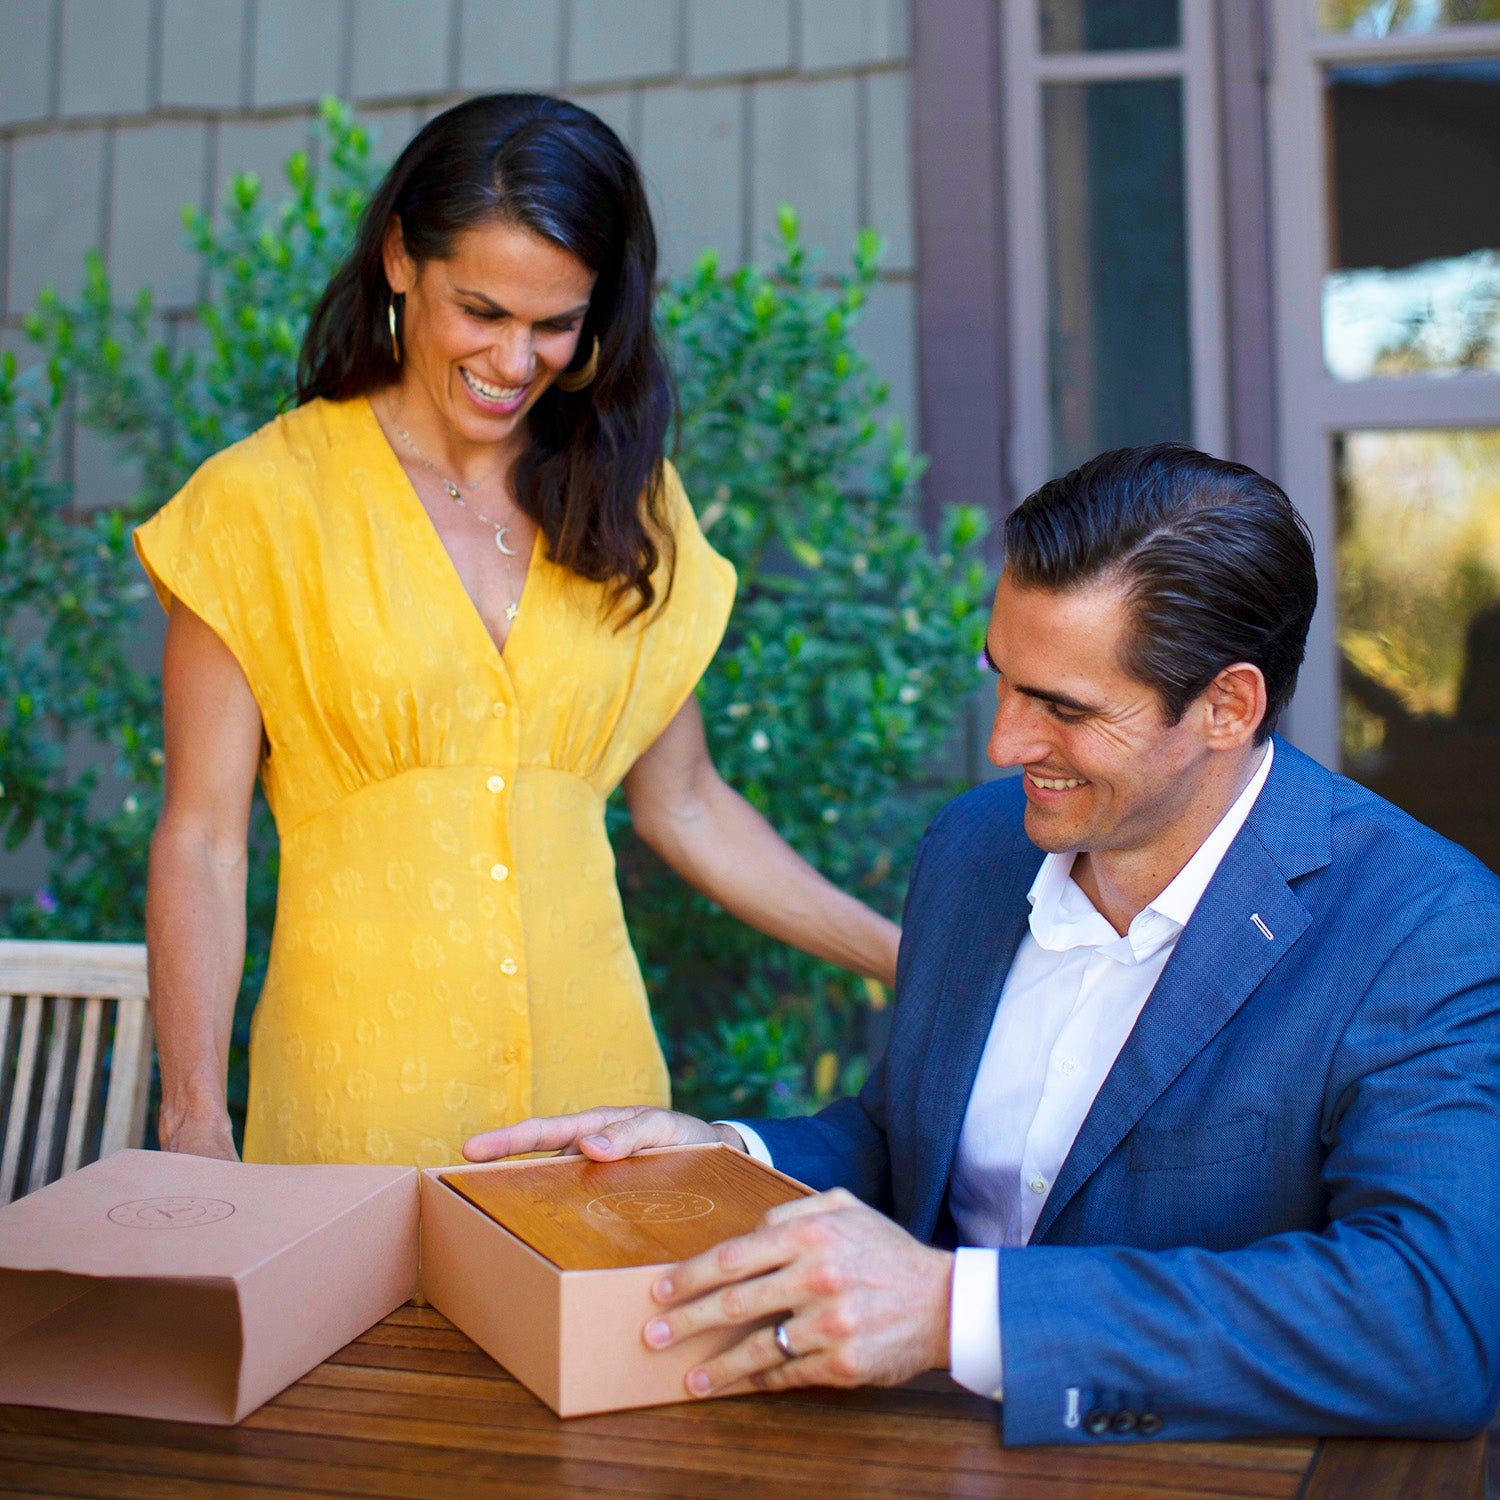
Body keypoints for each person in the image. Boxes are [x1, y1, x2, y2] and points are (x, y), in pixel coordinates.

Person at [466, 444, 1500, 1446]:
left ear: (1228, 706)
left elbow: (1433, 1324)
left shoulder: (1425, 925)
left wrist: (954, 1311)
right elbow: (902, 1146)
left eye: (1065, 708)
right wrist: (734, 1158)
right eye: (1001, 678)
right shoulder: (974, 846)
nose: (1005, 745)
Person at [135, 94, 899, 1170]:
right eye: (482, 311)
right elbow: (204, 841)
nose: (514, 360)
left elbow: (687, 805)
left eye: (555, 324)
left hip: (599, 1116)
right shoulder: (259, 505)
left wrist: (906, 962)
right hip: (356, 1113)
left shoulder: (634, 505)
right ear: (402, 258)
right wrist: (195, 1125)